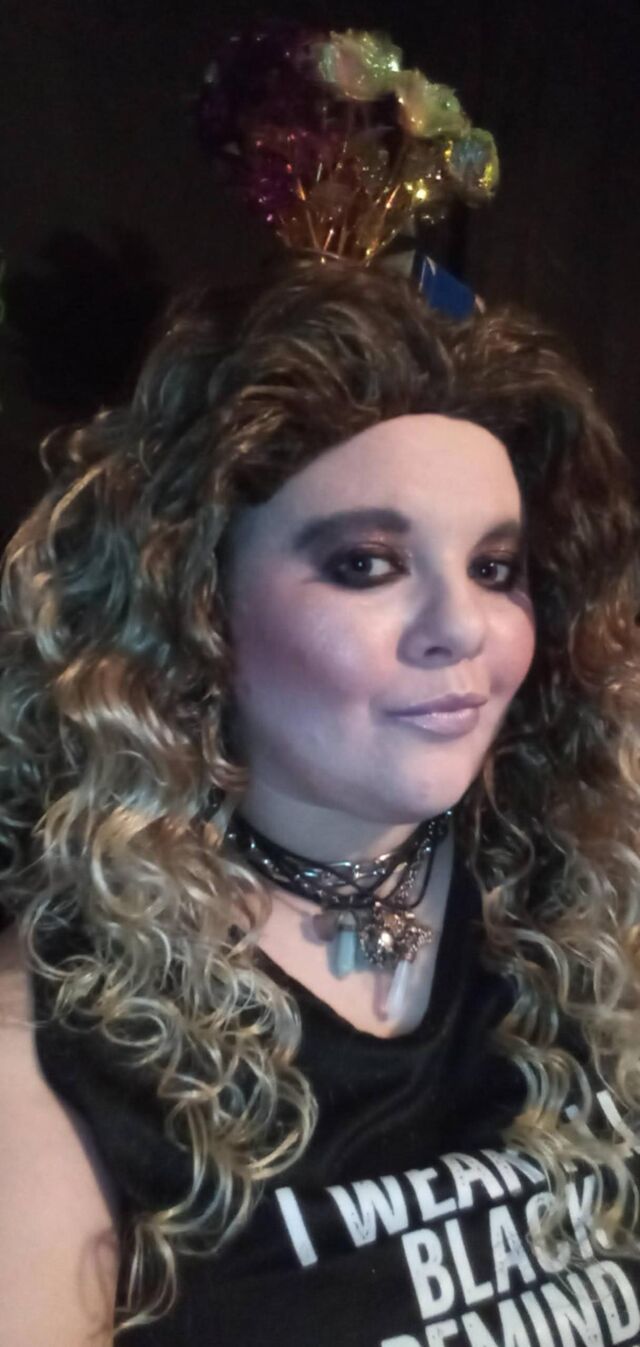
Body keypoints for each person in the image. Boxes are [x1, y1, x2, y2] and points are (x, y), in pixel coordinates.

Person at [1, 257, 640, 1347]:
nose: (461, 627)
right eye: (366, 564)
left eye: (495, 568)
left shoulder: (592, 891)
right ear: (198, 606)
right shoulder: (54, 1036)